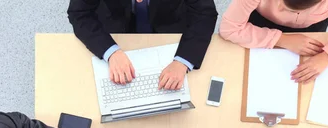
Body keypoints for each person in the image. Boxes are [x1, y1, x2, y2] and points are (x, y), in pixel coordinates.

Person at [219, 0, 328, 83]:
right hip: (261, 24)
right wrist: (280, 39)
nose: (283, 11)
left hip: (312, 28)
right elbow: (229, 28)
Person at [67, 0, 217, 90]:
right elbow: (79, 13)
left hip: (169, 27)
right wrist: (110, 52)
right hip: (116, 27)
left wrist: (183, 60)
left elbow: (205, 14)